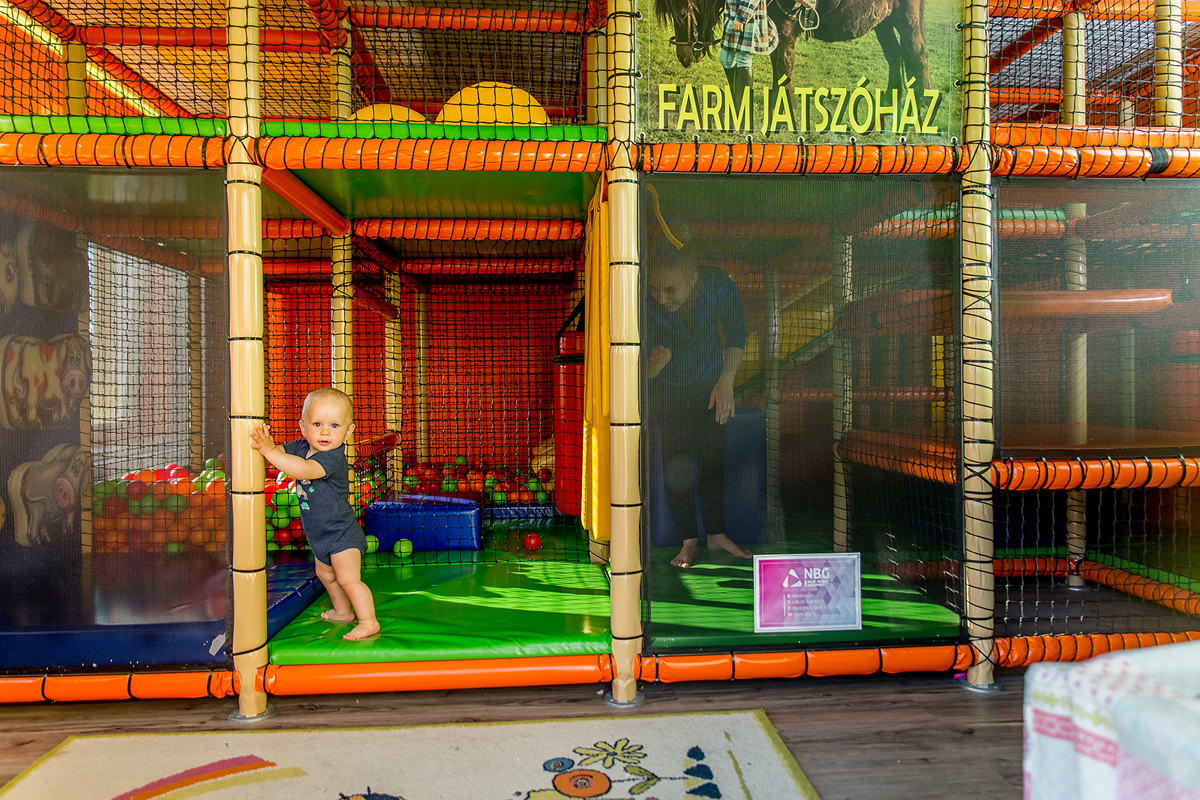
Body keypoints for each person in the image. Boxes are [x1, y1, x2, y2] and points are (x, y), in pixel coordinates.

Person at [647, 260, 754, 568]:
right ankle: (688, 541)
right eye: (656, 290)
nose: (662, 298)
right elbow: (635, 370)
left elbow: (736, 332)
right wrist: (652, 368)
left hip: (710, 384)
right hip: (667, 389)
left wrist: (726, 382)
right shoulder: (644, 301)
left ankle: (716, 534)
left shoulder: (717, 286)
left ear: (693, 280)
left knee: (712, 458)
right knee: (677, 464)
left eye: (671, 290)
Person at [250, 387, 380, 641]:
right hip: (319, 535)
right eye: (317, 424)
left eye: (334, 426)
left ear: (348, 432)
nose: (325, 432)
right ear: (303, 427)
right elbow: (280, 452)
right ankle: (343, 612)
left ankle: (368, 621)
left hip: (342, 535)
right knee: (326, 576)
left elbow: (304, 470)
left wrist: (270, 452)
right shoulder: (300, 447)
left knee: (348, 579)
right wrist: (267, 445)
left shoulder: (333, 458)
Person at [719, 0, 777, 133]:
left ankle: (742, 116)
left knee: (743, 60)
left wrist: (741, 18)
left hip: (748, 20)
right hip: (733, 17)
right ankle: (736, 103)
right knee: (725, 59)